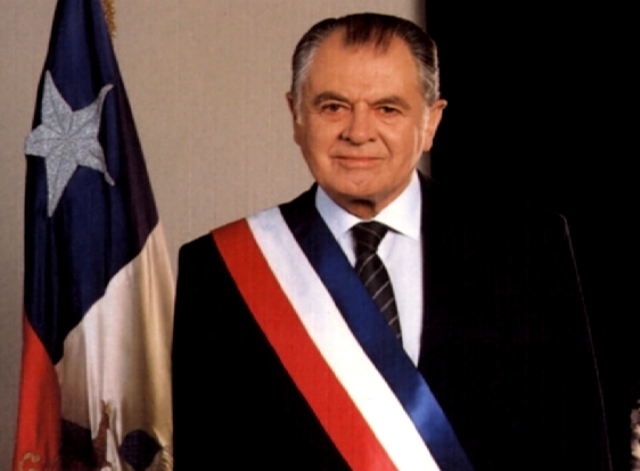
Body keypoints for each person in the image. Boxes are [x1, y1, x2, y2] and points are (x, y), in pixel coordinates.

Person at [172, 13, 610, 470]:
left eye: (388, 109)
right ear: (296, 116)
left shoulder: (525, 247)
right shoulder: (223, 266)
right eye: (333, 107)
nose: (358, 132)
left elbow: (576, 449)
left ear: (431, 122)